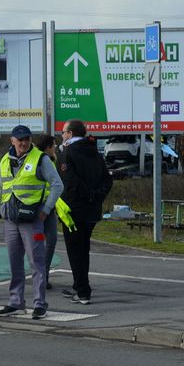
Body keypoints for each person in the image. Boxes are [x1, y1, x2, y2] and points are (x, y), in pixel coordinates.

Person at [0, 124, 63, 320]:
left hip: (32, 221)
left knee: (37, 263)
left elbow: (57, 185)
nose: (23, 142)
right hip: (11, 221)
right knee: (14, 263)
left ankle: (39, 304)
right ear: (12, 140)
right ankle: (16, 303)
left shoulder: (40, 159)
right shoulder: (5, 160)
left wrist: (46, 210)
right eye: (20, 139)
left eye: (27, 139)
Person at [58, 119, 112, 305]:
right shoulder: (94, 151)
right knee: (84, 248)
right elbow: (107, 179)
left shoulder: (68, 152)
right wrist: (97, 196)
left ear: (70, 134)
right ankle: (79, 284)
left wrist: (87, 195)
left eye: (64, 132)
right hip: (93, 209)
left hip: (73, 209)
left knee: (75, 250)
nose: (62, 135)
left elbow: (70, 181)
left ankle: (82, 291)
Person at [35, 134, 59, 290]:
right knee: (37, 241)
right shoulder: (39, 160)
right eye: (54, 145)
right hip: (38, 208)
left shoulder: (50, 161)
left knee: (51, 240)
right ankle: (39, 276)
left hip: (49, 208)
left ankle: (44, 275)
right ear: (48, 146)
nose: (56, 147)